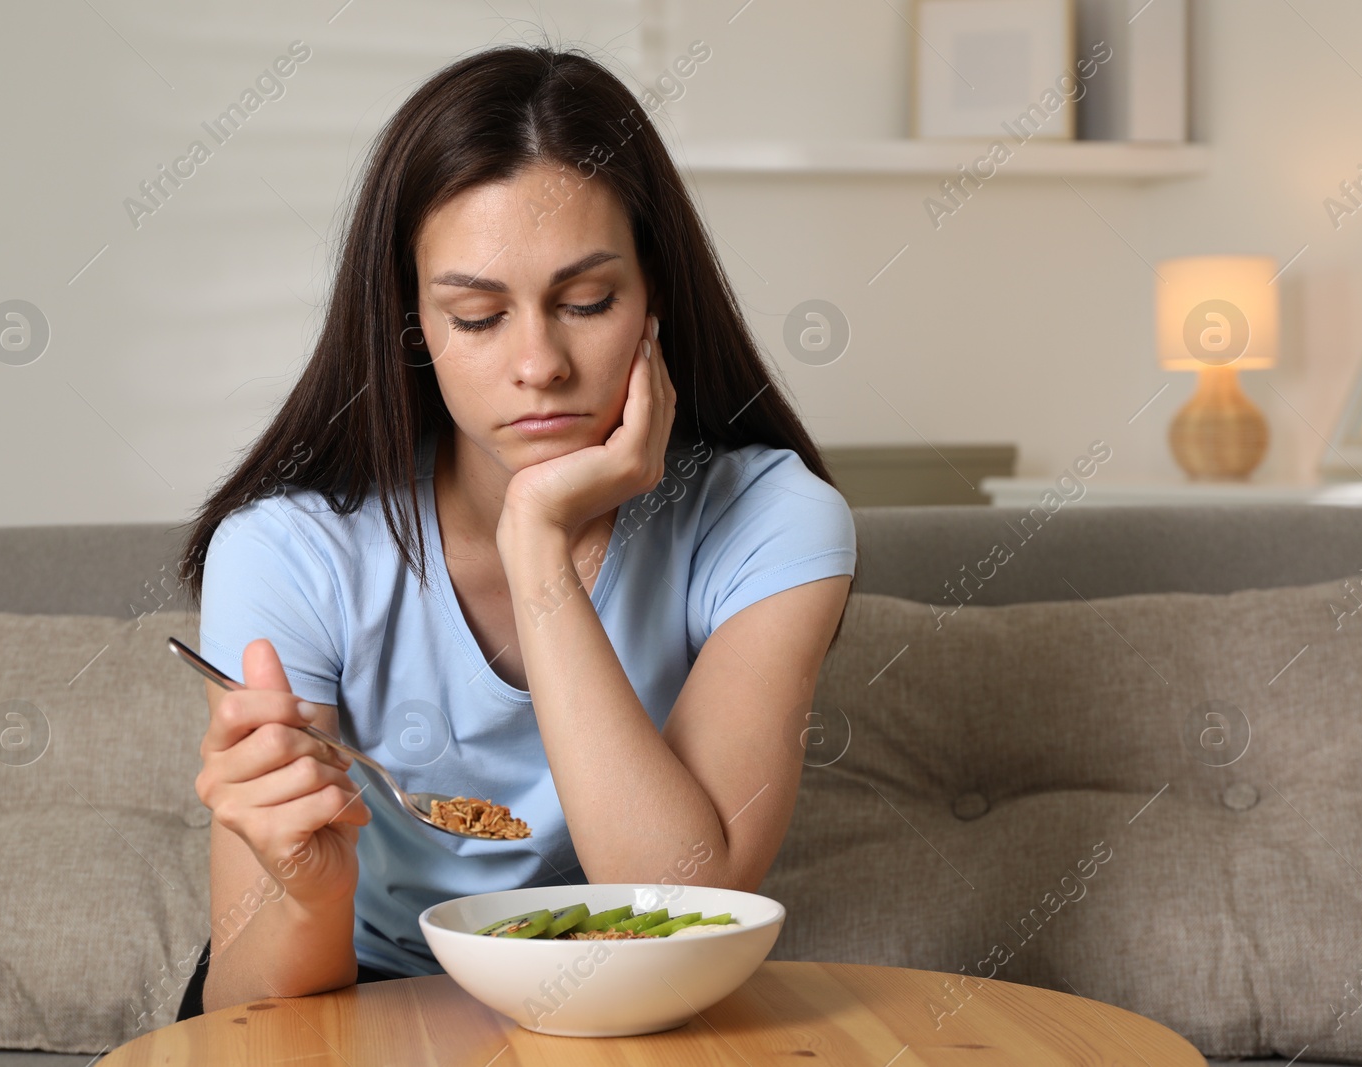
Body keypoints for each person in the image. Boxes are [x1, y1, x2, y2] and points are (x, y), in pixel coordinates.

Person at [172, 42, 858, 1018]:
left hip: (632, 988)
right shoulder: (287, 550)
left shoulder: (771, 522)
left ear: (653, 296)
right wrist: (309, 887)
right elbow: (249, 1011)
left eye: (586, 302)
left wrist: (537, 542)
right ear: (410, 322)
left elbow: (683, 903)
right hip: (349, 986)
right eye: (478, 315)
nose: (539, 362)